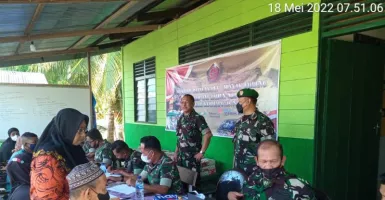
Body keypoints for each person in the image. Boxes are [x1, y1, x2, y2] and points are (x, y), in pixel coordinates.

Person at [30, 108, 89, 200]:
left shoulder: (74, 149)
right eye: (79, 130)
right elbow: (47, 197)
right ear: (66, 128)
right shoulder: (47, 157)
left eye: (85, 130)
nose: (84, 135)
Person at [227, 140, 316, 200]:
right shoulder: (251, 179)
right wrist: (231, 196)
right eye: (264, 161)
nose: (268, 166)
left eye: (273, 161)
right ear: (257, 161)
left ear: (282, 160)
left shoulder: (300, 187)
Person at [233, 88, 276, 176]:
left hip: (255, 171)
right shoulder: (240, 121)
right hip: (239, 168)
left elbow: (269, 149)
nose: (238, 104)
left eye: (241, 102)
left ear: (248, 101)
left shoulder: (263, 121)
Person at [174, 94, 213, 175]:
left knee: (192, 183)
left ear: (193, 104)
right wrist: (176, 152)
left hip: (192, 157)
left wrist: (201, 152)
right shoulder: (180, 118)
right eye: (182, 102)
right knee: (181, 181)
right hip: (181, 156)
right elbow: (179, 138)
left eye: (187, 102)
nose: (184, 105)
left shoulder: (197, 118)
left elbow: (208, 134)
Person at [6, 132, 38, 200]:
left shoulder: (35, 155)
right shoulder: (18, 158)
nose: (37, 145)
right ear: (26, 145)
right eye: (35, 143)